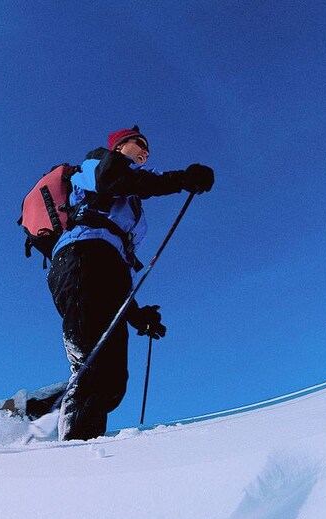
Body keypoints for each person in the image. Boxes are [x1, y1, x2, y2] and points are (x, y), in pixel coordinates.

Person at [47, 126, 214, 440]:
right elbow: (117, 181)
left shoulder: (130, 200)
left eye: (148, 150)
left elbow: (113, 267)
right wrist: (181, 179)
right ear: (120, 144)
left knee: (112, 381)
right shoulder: (98, 163)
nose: (146, 152)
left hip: (104, 267)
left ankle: (30, 414)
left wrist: (138, 316)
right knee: (92, 365)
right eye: (140, 144)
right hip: (79, 259)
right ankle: (72, 458)